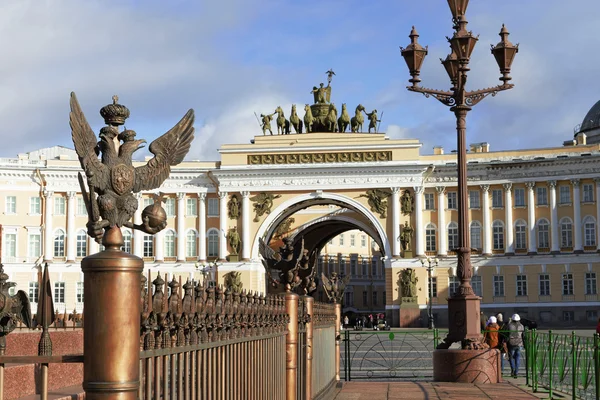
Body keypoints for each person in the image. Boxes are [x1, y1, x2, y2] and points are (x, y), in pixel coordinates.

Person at [507, 313, 525, 378]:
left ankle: (513, 370)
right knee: (517, 357)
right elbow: (523, 335)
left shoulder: (509, 325)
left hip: (511, 343)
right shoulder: (521, 326)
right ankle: (516, 372)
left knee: (511, 357)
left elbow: (507, 333)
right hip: (519, 343)